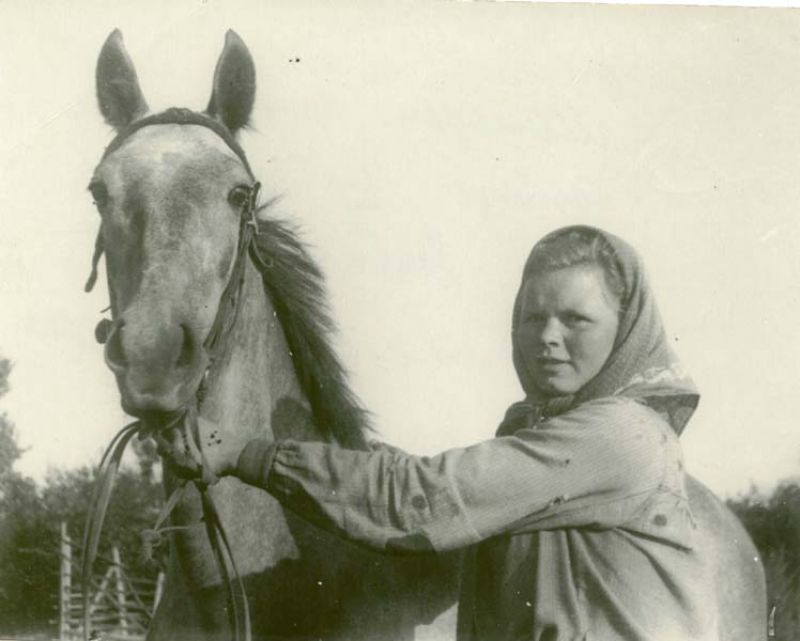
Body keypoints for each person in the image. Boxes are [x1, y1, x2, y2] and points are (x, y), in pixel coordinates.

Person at [203, 225, 717, 640]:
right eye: (532, 317)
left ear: (625, 329)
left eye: (576, 319)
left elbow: (425, 495)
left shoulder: (620, 434)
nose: (547, 338)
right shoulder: (542, 432)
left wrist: (251, 456)